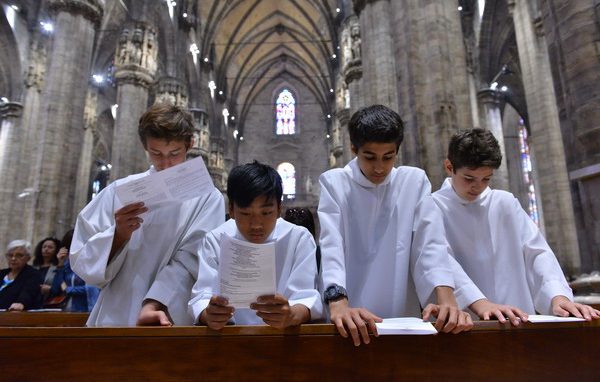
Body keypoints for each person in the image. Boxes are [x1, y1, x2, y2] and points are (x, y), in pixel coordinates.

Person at [318, 104, 473, 346]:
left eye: (388, 157)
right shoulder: (335, 183)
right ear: (353, 149)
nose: (379, 167)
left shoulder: (413, 181)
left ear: (397, 151)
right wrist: (337, 302)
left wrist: (447, 298)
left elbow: (430, 242)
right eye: (369, 157)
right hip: (350, 317)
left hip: (402, 316)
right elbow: (331, 245)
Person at [70, 103, 225, 326]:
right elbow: (82, 255)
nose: (165, 163)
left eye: (174, 153)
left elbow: (193, 259)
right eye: (156, 153)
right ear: (145, 147)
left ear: (189, 144)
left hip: (170, 311)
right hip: (116, 312)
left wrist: (155, 302)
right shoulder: (119, 191)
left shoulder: (208, 197)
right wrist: (118, 235)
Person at [433, 128, 600, 322]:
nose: (477, 187)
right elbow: (441, 260)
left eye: (486, 179)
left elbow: (536, 252)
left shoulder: (505, 202)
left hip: (517, 316)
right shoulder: (434, 206)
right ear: (448, 167)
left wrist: (557, 296)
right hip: (467, 319)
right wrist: (478, 301)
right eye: (469, 178)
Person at [189, 161, 323, 329]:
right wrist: (209, 314)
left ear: (279, 208)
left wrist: (291, 314)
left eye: (266, 213)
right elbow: (201, 297)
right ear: (231, 210)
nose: (256, 225)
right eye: (245, 213)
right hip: (229, 339)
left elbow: (307, 297)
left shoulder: (298, 238)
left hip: (284, 338)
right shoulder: (216, 240)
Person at [51, 229, 99, 312]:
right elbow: (56, 287)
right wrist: (60, 264)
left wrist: (69, 290)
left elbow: (94, 288)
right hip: (67, 308)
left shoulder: (92, 263)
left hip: (87, 308)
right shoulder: (66, 264)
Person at [0, 240, 43, 311]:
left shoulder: (33, 274)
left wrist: (21, 302)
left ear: (28, 258)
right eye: (10, 255)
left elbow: (28, 292)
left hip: (17, 316)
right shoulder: (2, 273)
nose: (13, 258)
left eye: (19, 255)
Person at [32, 237, 63, 305]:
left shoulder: (58, 267)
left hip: (51, 302)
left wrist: (50, 289)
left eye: (50, 247)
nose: (46, 249)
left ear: (56, 250)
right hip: (33, 302)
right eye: (44, 247)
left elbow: (61, 285)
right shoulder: (34, 267)